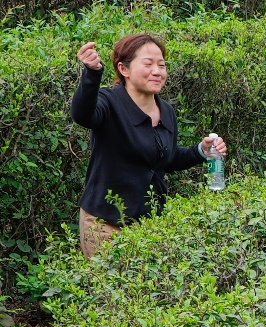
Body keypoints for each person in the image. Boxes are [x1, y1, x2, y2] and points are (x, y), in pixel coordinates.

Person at [70, 34, 228, 258]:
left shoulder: (166, 111)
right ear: (124, 70)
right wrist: (92, 74)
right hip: (105, 224)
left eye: (161, 65)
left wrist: (201, 151)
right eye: (148, 64)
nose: (157, 71)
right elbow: (82, 115)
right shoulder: (109, 102)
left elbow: (166, 160)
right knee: (110, 291)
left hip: (150, 225)